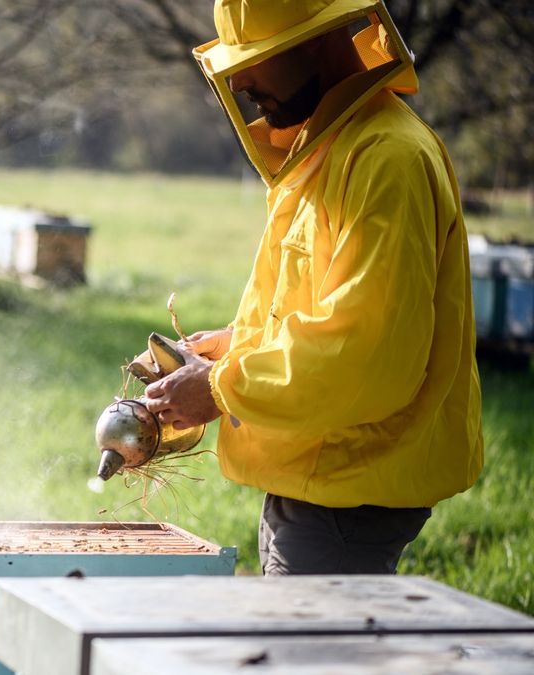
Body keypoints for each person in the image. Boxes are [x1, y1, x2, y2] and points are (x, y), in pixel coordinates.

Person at [142, 0, 483, 575]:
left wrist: (222, 388)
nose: (243, 81)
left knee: (315, 658)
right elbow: (320, 306)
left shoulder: (387, 159)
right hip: (320, 472)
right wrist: (231, 348)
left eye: (260, 59)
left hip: (349, 484)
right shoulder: (331, 145)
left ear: (320, 40)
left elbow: (368, 352)